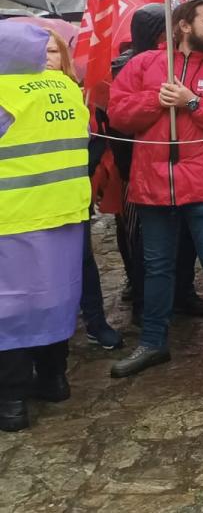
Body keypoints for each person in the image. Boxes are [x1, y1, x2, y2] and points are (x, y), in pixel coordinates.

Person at [107, 0, 203, 379]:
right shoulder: (143, 65)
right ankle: (153, 342)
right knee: (156, 267)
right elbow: (119, 113)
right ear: (184, 26)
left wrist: (193, 103)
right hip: (153, 185)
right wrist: (154, 100)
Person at [0, 22, 92, 433]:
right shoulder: (69, 90)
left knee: (11, 308)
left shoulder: (7, 94)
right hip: (65, 213)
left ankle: (12, 400)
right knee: (53, 299)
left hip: (15, 217)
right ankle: (55, 378)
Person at [41, 29, 124, 352]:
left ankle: (95, 322)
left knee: (82, 264)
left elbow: (94, 144)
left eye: (51, 52)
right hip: (24, 205)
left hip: (70, 200)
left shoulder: (78, 96)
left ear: (64, 57)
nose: (45, 60)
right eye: (39, 53)